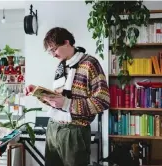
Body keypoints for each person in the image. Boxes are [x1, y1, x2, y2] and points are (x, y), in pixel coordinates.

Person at [25, 27, 110, 166]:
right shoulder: (60, 66)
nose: (53, 55)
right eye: (50, 51)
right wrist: (38, 93)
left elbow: (103, 101)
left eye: (54, 49)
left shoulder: (90, 64)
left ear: (66, 42)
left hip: (75, 131)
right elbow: (57, 101)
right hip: (53, 127)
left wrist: (66, 104)